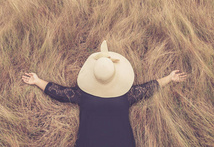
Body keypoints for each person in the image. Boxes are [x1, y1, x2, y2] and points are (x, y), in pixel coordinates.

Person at [22, 40, 187, 147]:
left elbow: (60, 92)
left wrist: (37, 81)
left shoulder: (82, 95)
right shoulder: (126, 96)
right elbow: (148, 88)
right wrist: (170, 78)